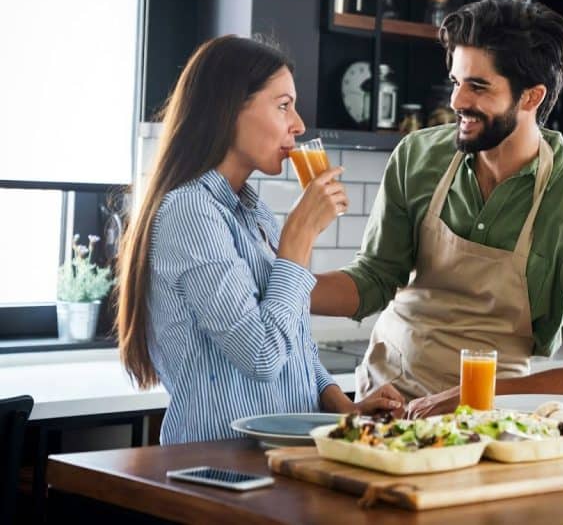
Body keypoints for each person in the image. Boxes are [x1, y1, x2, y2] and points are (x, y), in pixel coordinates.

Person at [311, 0, 563, 417]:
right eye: (456, 81)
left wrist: (471, 395)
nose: (457, 100)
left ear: (532, 96)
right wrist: (280, 289)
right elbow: (375, 278)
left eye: (478, 87)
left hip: (490, 421)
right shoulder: (417, 157)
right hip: (387, 404)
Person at [116, 35, 403, 444]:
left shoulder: (253, 212)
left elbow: (295, 346)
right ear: (229, 107)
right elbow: (262, 355)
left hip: (279, 455)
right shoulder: (190, 213)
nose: (298, 124)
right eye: (283, 105)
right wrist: (299, 237)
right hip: (221, 462)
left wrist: (345, 407)